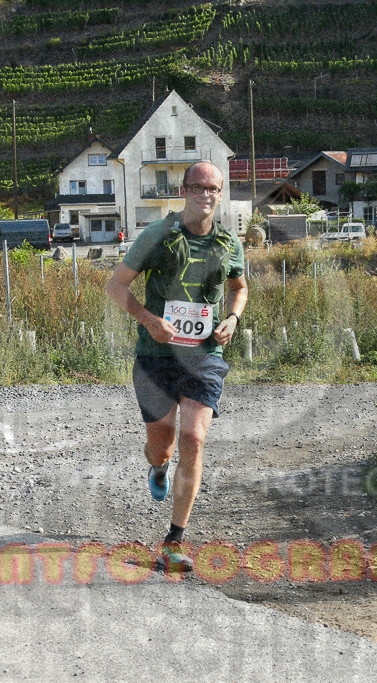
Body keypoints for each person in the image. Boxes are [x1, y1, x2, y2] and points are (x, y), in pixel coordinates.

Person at [105, 161, 247, 573]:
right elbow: (116, 286)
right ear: (184, 190)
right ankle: (158, 467)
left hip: (204, 357)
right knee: (162, 446)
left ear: (220, 195)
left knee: (195, 439)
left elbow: (239, 287)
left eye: (214, 189)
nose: (206, 194)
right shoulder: (158, 235)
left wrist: (233, 318)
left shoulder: (229, 243)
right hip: (156, 357)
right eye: (199, 187)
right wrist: (150, 320)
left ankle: (173, 540)